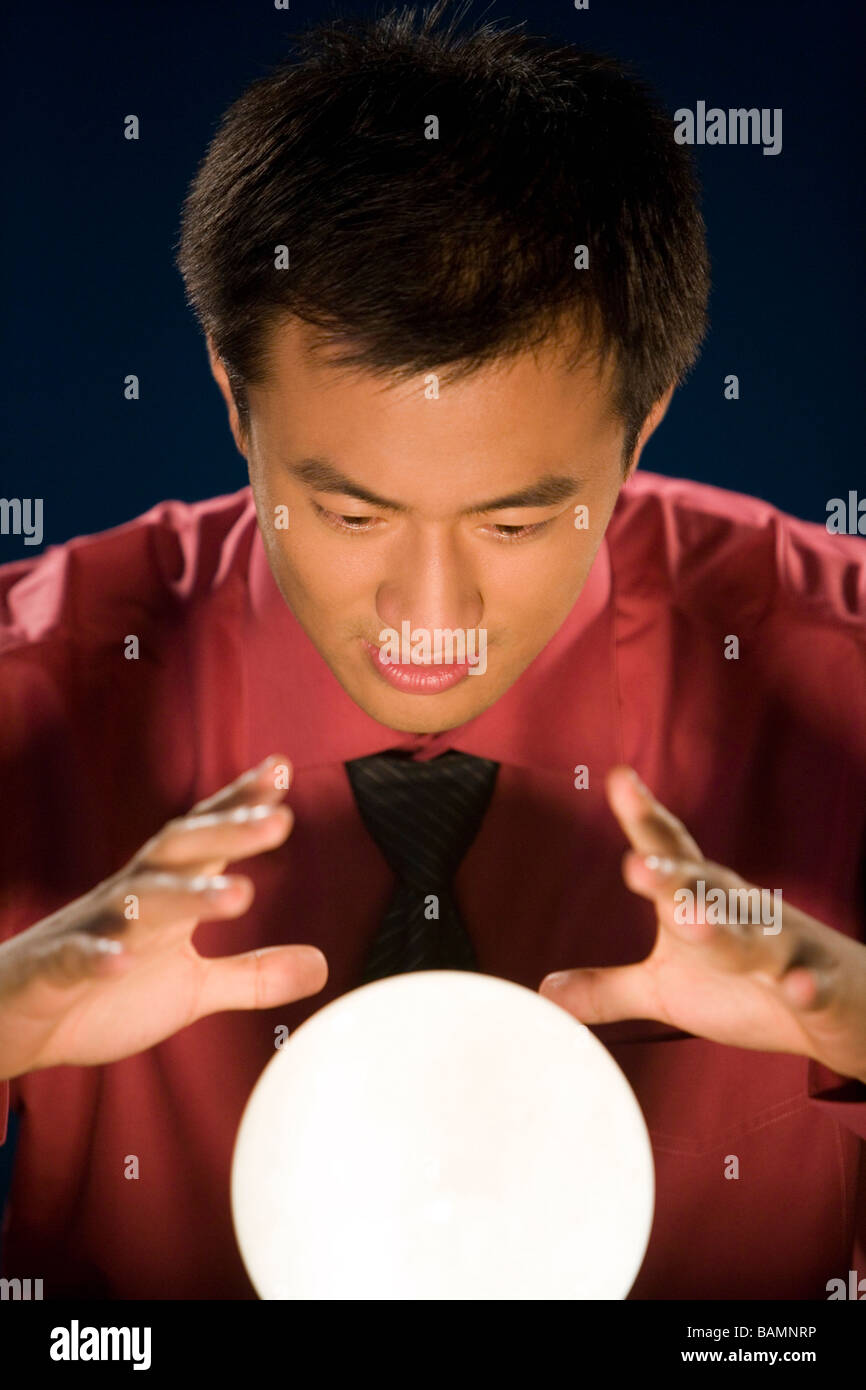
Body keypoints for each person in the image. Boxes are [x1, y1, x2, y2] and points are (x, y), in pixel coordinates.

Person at [1, 2, 864, 1301]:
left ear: (644, 428)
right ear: (234, 401)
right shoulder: (31, 692)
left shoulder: (838, 674)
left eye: (516, 518)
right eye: (350, 511)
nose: (426, 604)